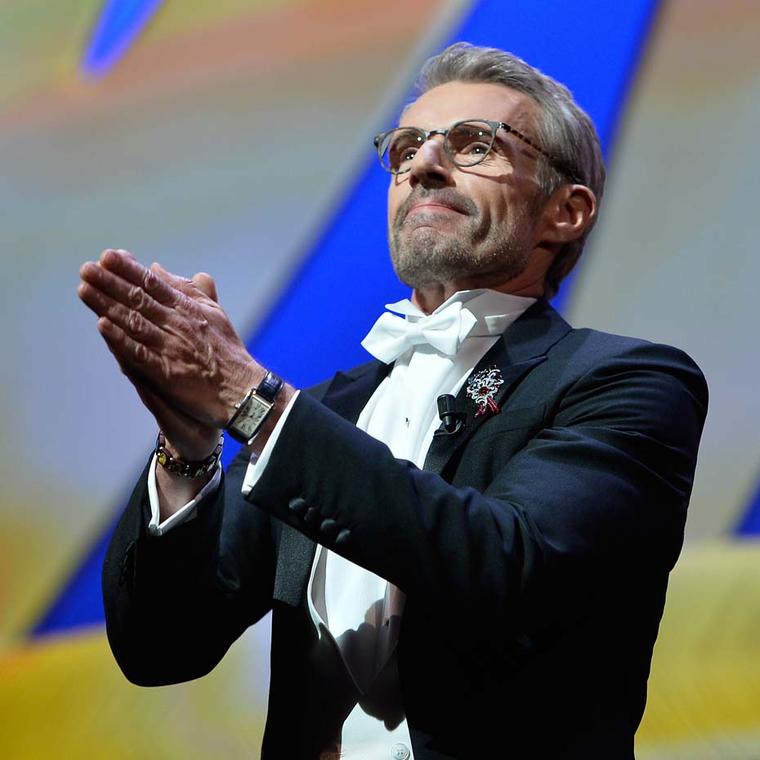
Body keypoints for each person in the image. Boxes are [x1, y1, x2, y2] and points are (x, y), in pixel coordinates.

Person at [78, 43, 708, 759]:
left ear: (565, 211)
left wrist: (248, 403)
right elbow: (162, 648)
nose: (423, 166)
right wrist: (187, 452)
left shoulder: (628, 382)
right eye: (407, 147)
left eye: (474, 144)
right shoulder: (327, 414)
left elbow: (509, 567)